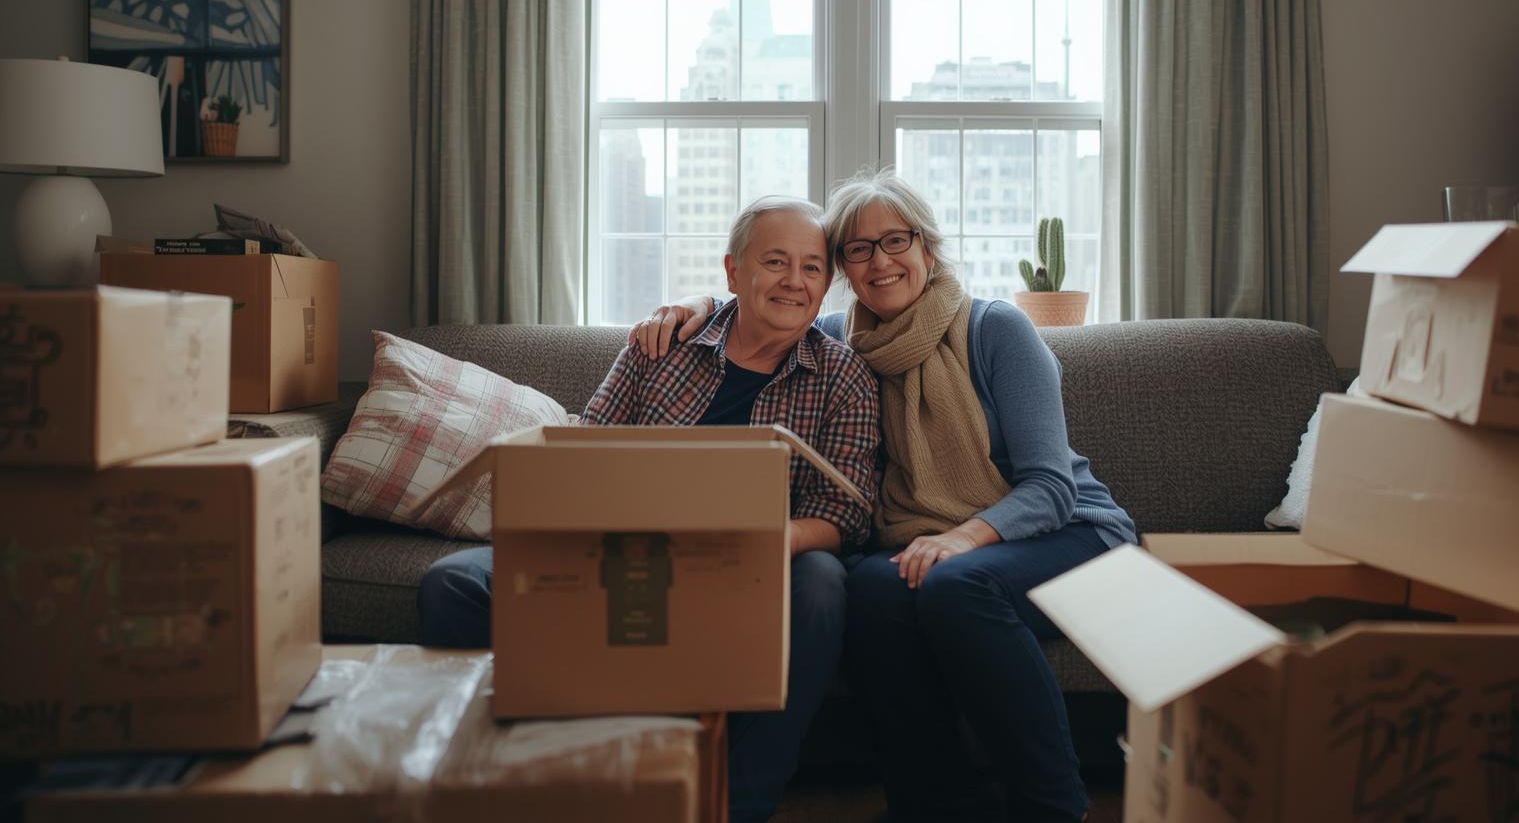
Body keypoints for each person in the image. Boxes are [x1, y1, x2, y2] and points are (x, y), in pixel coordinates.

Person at [630, 170, 1137, 822]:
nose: (880, 261)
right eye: (858, 249)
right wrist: (691, 306)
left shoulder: (996, 331)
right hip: (932, 542)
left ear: (927, 248)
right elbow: (762, 314)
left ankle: (1055, 806)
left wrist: (960, 538)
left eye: (894, 241)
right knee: (869, 588)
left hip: (1068, 531)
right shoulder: (842, 340)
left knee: (958, 587)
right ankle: (940, 804)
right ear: (844, 267)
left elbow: (1051, 487)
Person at [417, 196, 881, 823]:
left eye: (812, 268)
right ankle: (532, 781)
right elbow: (579, 452)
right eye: (775, 262)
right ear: (732, 271)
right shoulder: (659, 345)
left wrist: (765, 537)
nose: (794, 282)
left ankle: (737, 804)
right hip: (621, 549)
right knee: (451, 585)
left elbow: (845, 513)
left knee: (823, 584)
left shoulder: (843, 375)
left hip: (754, 565)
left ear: (827, 285)